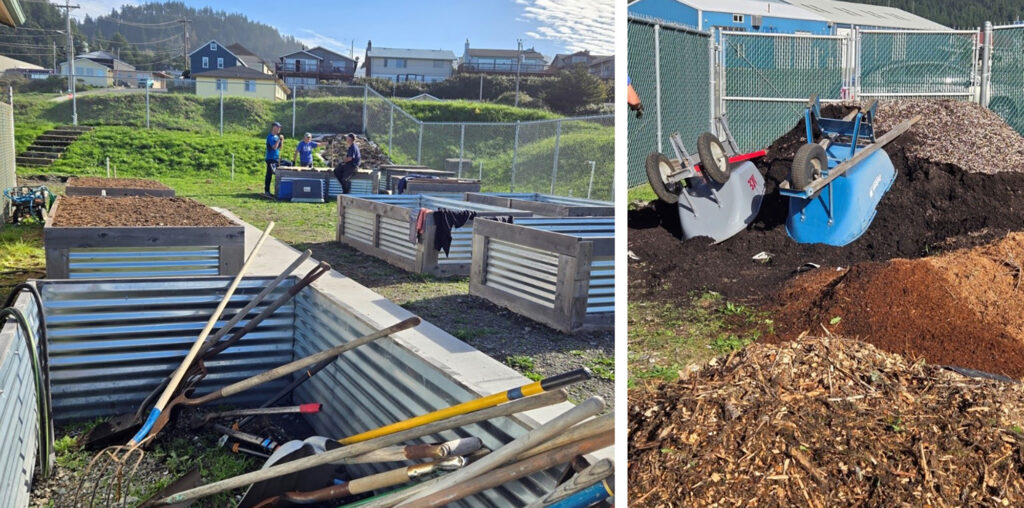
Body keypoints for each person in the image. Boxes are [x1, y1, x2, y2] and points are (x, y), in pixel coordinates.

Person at [264, 122, 284, 198]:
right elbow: (274, 147)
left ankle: (277, 190)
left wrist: (281, 140)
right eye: (278, 127)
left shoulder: (276, 137)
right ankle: (267, 191)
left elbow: (280, 148)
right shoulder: (270, 137)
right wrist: (279, 139)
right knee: (269, 175)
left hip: (276, 158)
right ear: (274, 128)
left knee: (277, 174)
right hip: (270, 158)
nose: (279, 129)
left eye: (280, 128)